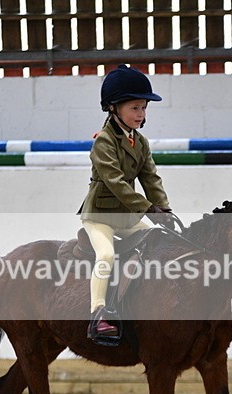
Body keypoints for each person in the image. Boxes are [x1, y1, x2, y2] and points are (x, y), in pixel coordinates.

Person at [78, 64, 174, 341]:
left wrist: (163, 209)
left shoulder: (140, 142)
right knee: (106, 255)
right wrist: (147, 208)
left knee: (159, 241)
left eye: (144, 108)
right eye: (134, 108)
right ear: (113, 108)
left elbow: (151, 178)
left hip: (126, 216)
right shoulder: (103, 142)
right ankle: (98, 314)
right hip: (99, 216)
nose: (141, 114)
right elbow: (115, 182)